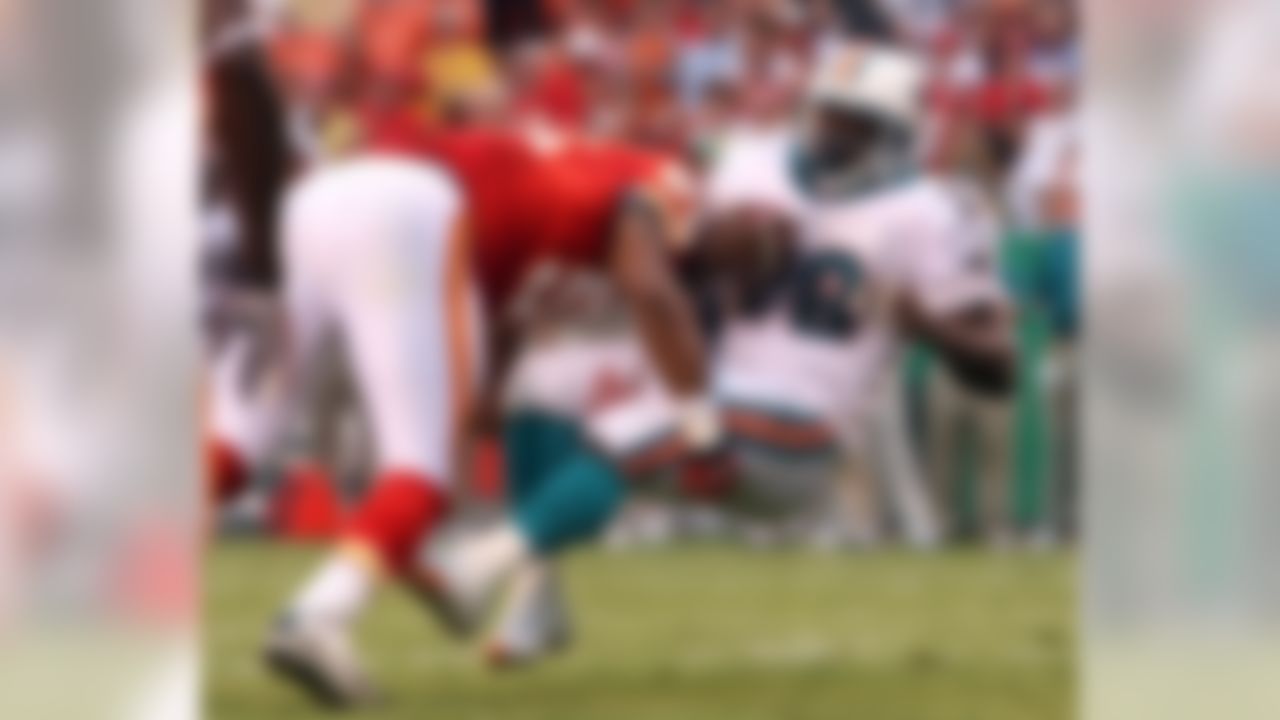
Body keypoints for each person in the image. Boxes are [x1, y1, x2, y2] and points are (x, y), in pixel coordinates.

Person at [427, 40, 1018, 666]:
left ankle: (475, 565)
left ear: (899, 133)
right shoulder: (746, 165)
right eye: (827, 114)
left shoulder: (934, 212)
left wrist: (922, 320)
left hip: (802, 427)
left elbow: (999, 366)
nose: (831, 135)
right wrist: (715, 249)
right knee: (541, 388)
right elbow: (660, 263)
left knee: (631, 429)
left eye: (855, 122)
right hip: (706, 390)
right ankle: (537, 600)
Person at [250, 114, 718, 706]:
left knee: (244, 439)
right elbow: (652, 290)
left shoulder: (551, 181)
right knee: (423, 466)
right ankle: (336, 608)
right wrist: (701, 423)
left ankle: (489, 581)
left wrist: (485, 394)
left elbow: (509, 294)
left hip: (327, 214)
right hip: (413, 233)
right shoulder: (652, 185)